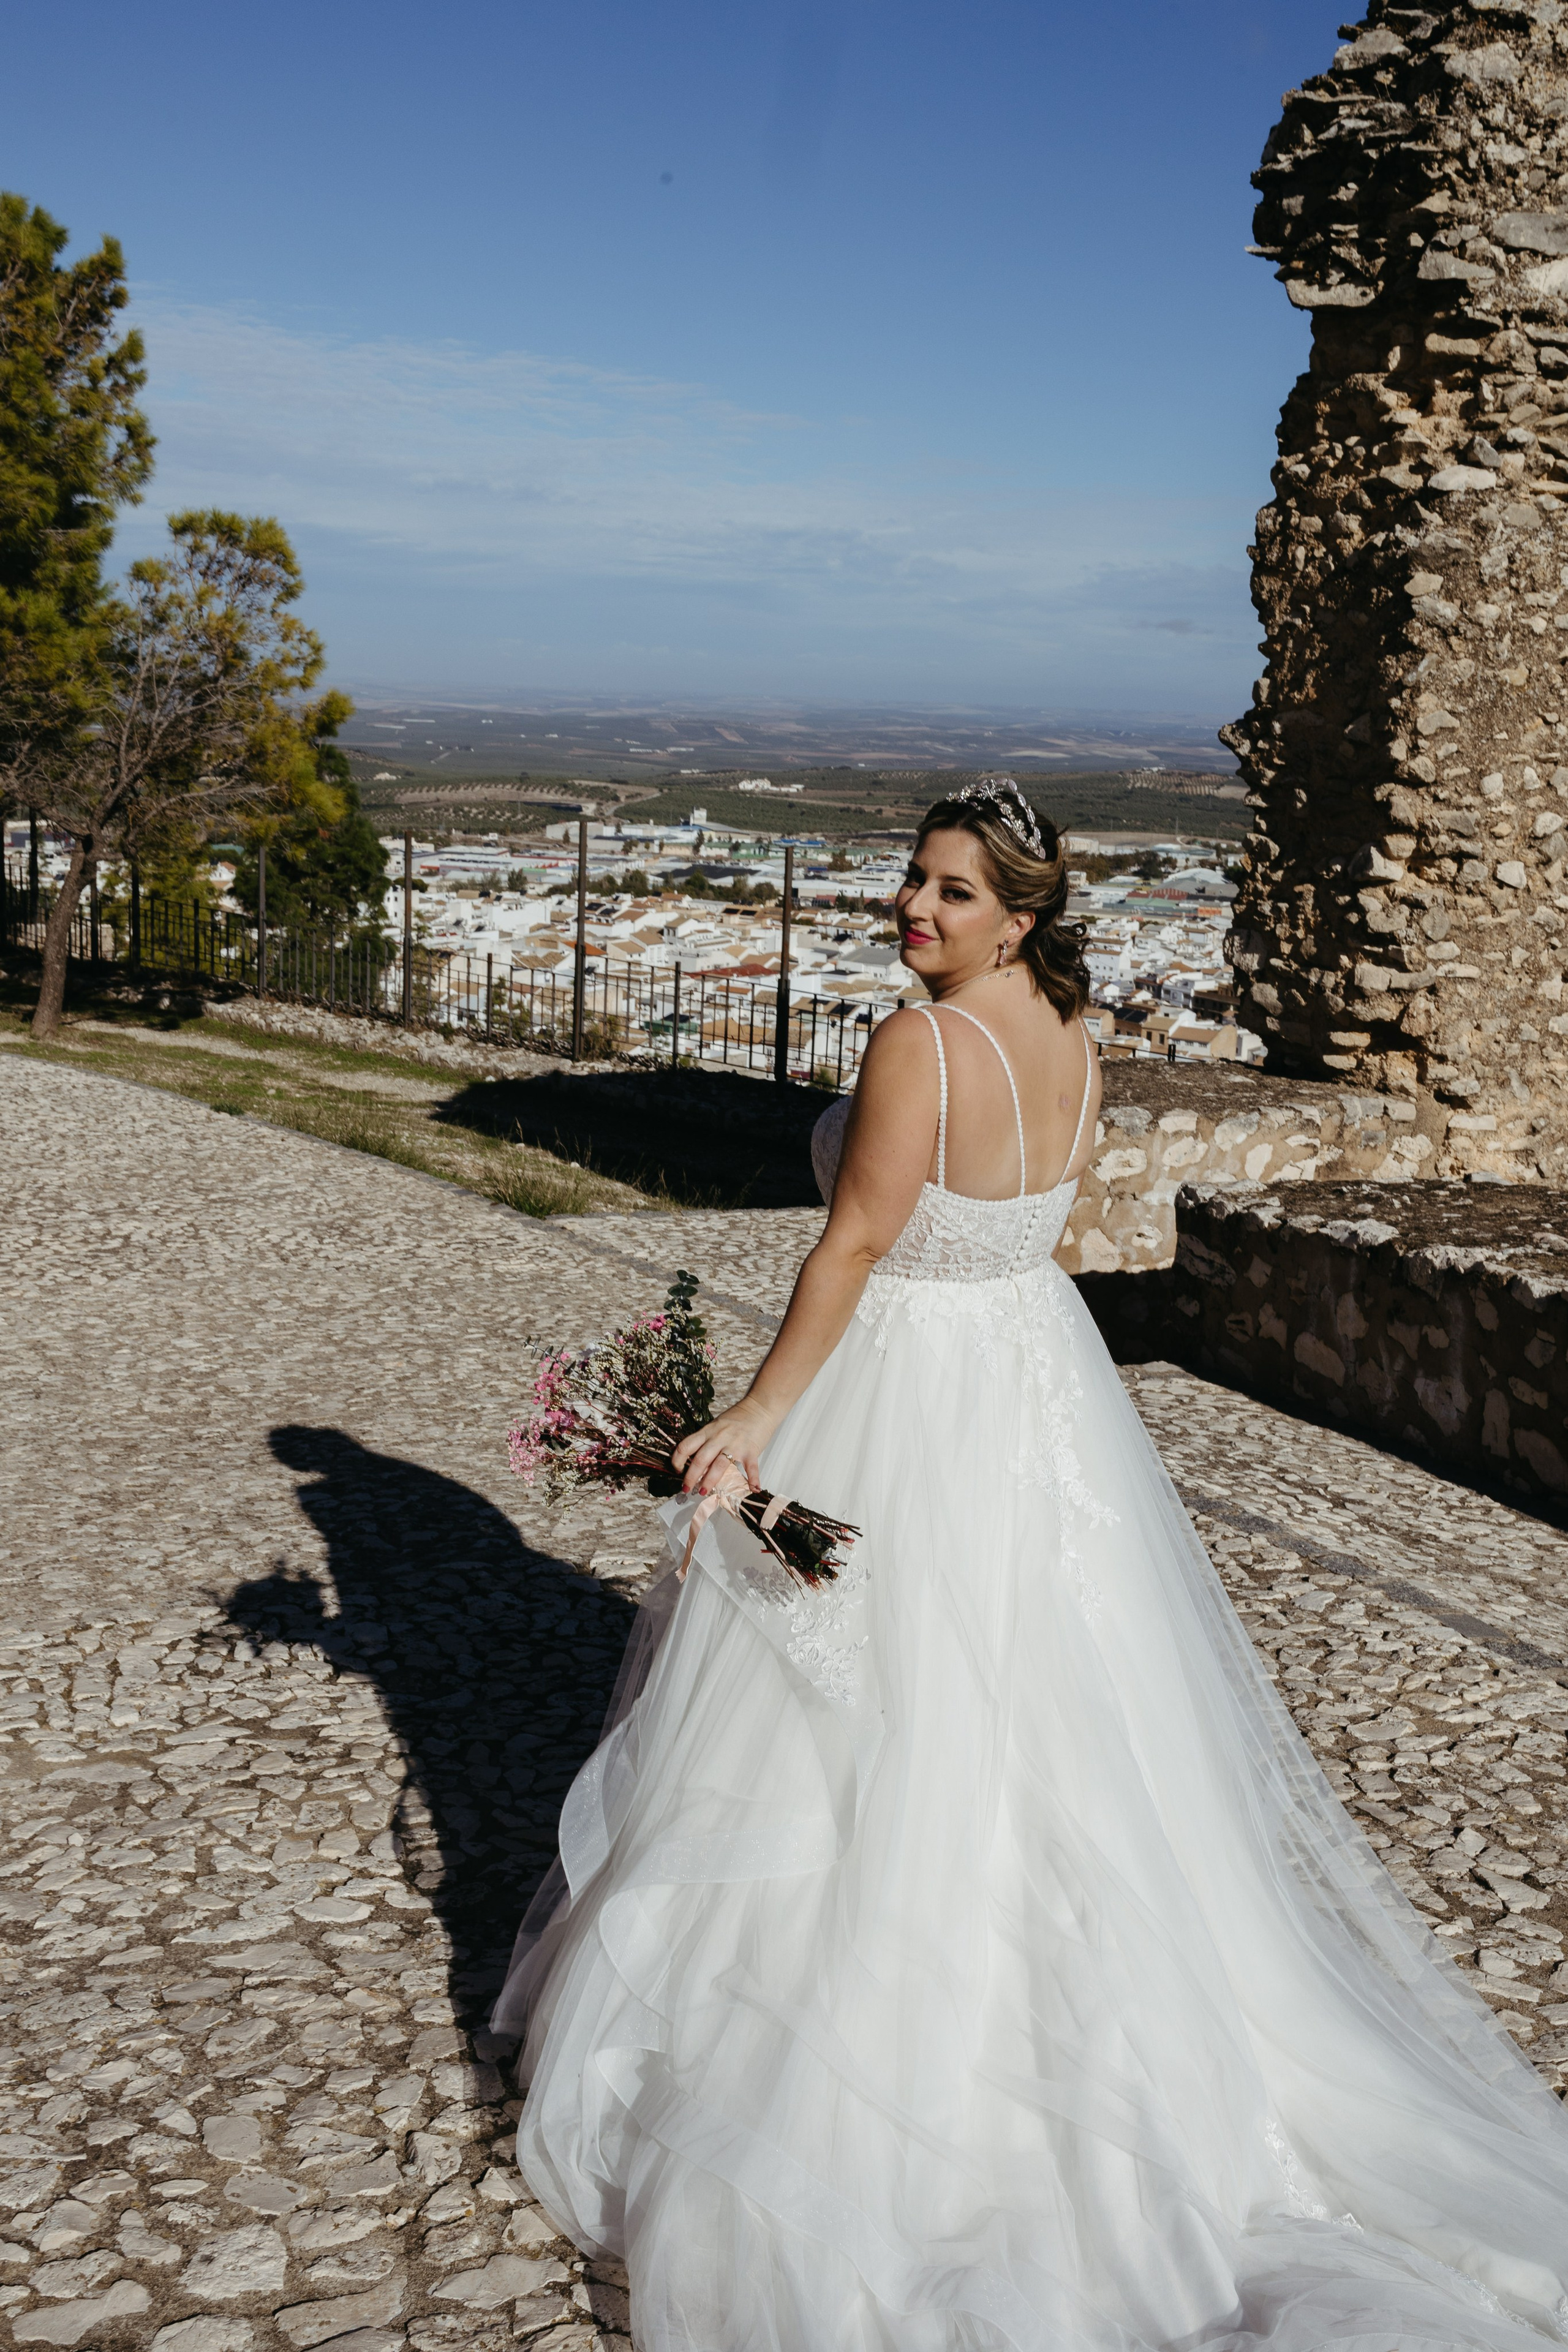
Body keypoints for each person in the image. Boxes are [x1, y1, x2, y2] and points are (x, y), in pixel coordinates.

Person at [495, 779, 1568, 2351]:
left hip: (912, 1385)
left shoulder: (917, 1044)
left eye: (948, 892)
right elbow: (1029, 1232)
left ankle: (890, 2060)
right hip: (1031, 1380)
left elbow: (850, 1249)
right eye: (910, 883)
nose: (913, 912)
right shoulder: (1070, 1034)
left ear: (1019, 910)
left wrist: (750, 1420)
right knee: (1051, 1705)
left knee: (867, 1720)